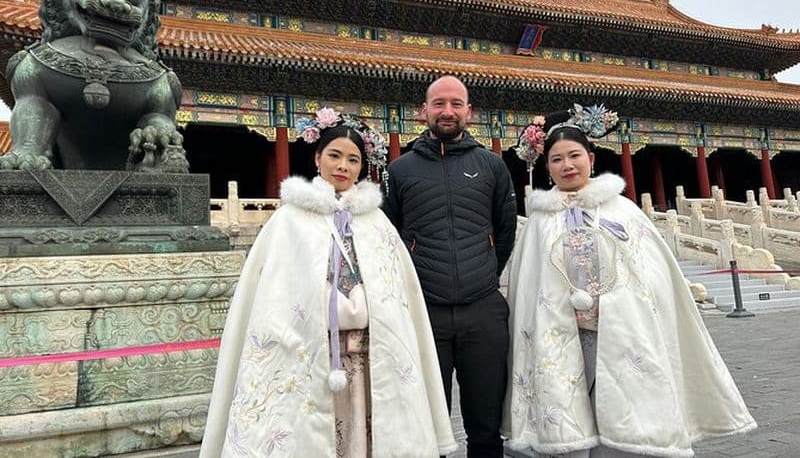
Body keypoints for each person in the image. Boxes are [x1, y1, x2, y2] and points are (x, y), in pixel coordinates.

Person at [200, 108, 457, 457]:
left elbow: (398, 292)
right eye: (335, 155)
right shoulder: (289, 220)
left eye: (353, 160)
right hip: (309, 353)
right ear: (317, 157)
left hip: (370, 358)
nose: (343, 166)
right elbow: (273, 294)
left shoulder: (376, 222)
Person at [504, 105, 756, 457]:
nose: (567, 165)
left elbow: (651, 271)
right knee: (569, 403)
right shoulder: (540, 222)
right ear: (546, 167)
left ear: (591, 158)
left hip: (619, 326)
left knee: (624, 406)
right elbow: (529, 285)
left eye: (575, 155)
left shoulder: (621, 211)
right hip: (562, 330)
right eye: (557, 159)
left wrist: (617, 300)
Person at [383, 75, 518, 457]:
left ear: (469, 112)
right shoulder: (400, 171)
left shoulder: (492, 166)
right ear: (423, 111)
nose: (447, 111)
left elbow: (505, 229)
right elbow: (388, 237)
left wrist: (486, 272)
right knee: (430, 423)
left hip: (483, 310)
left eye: (456, 104)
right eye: (439, 103)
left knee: (486, 425)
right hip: (425, 313)